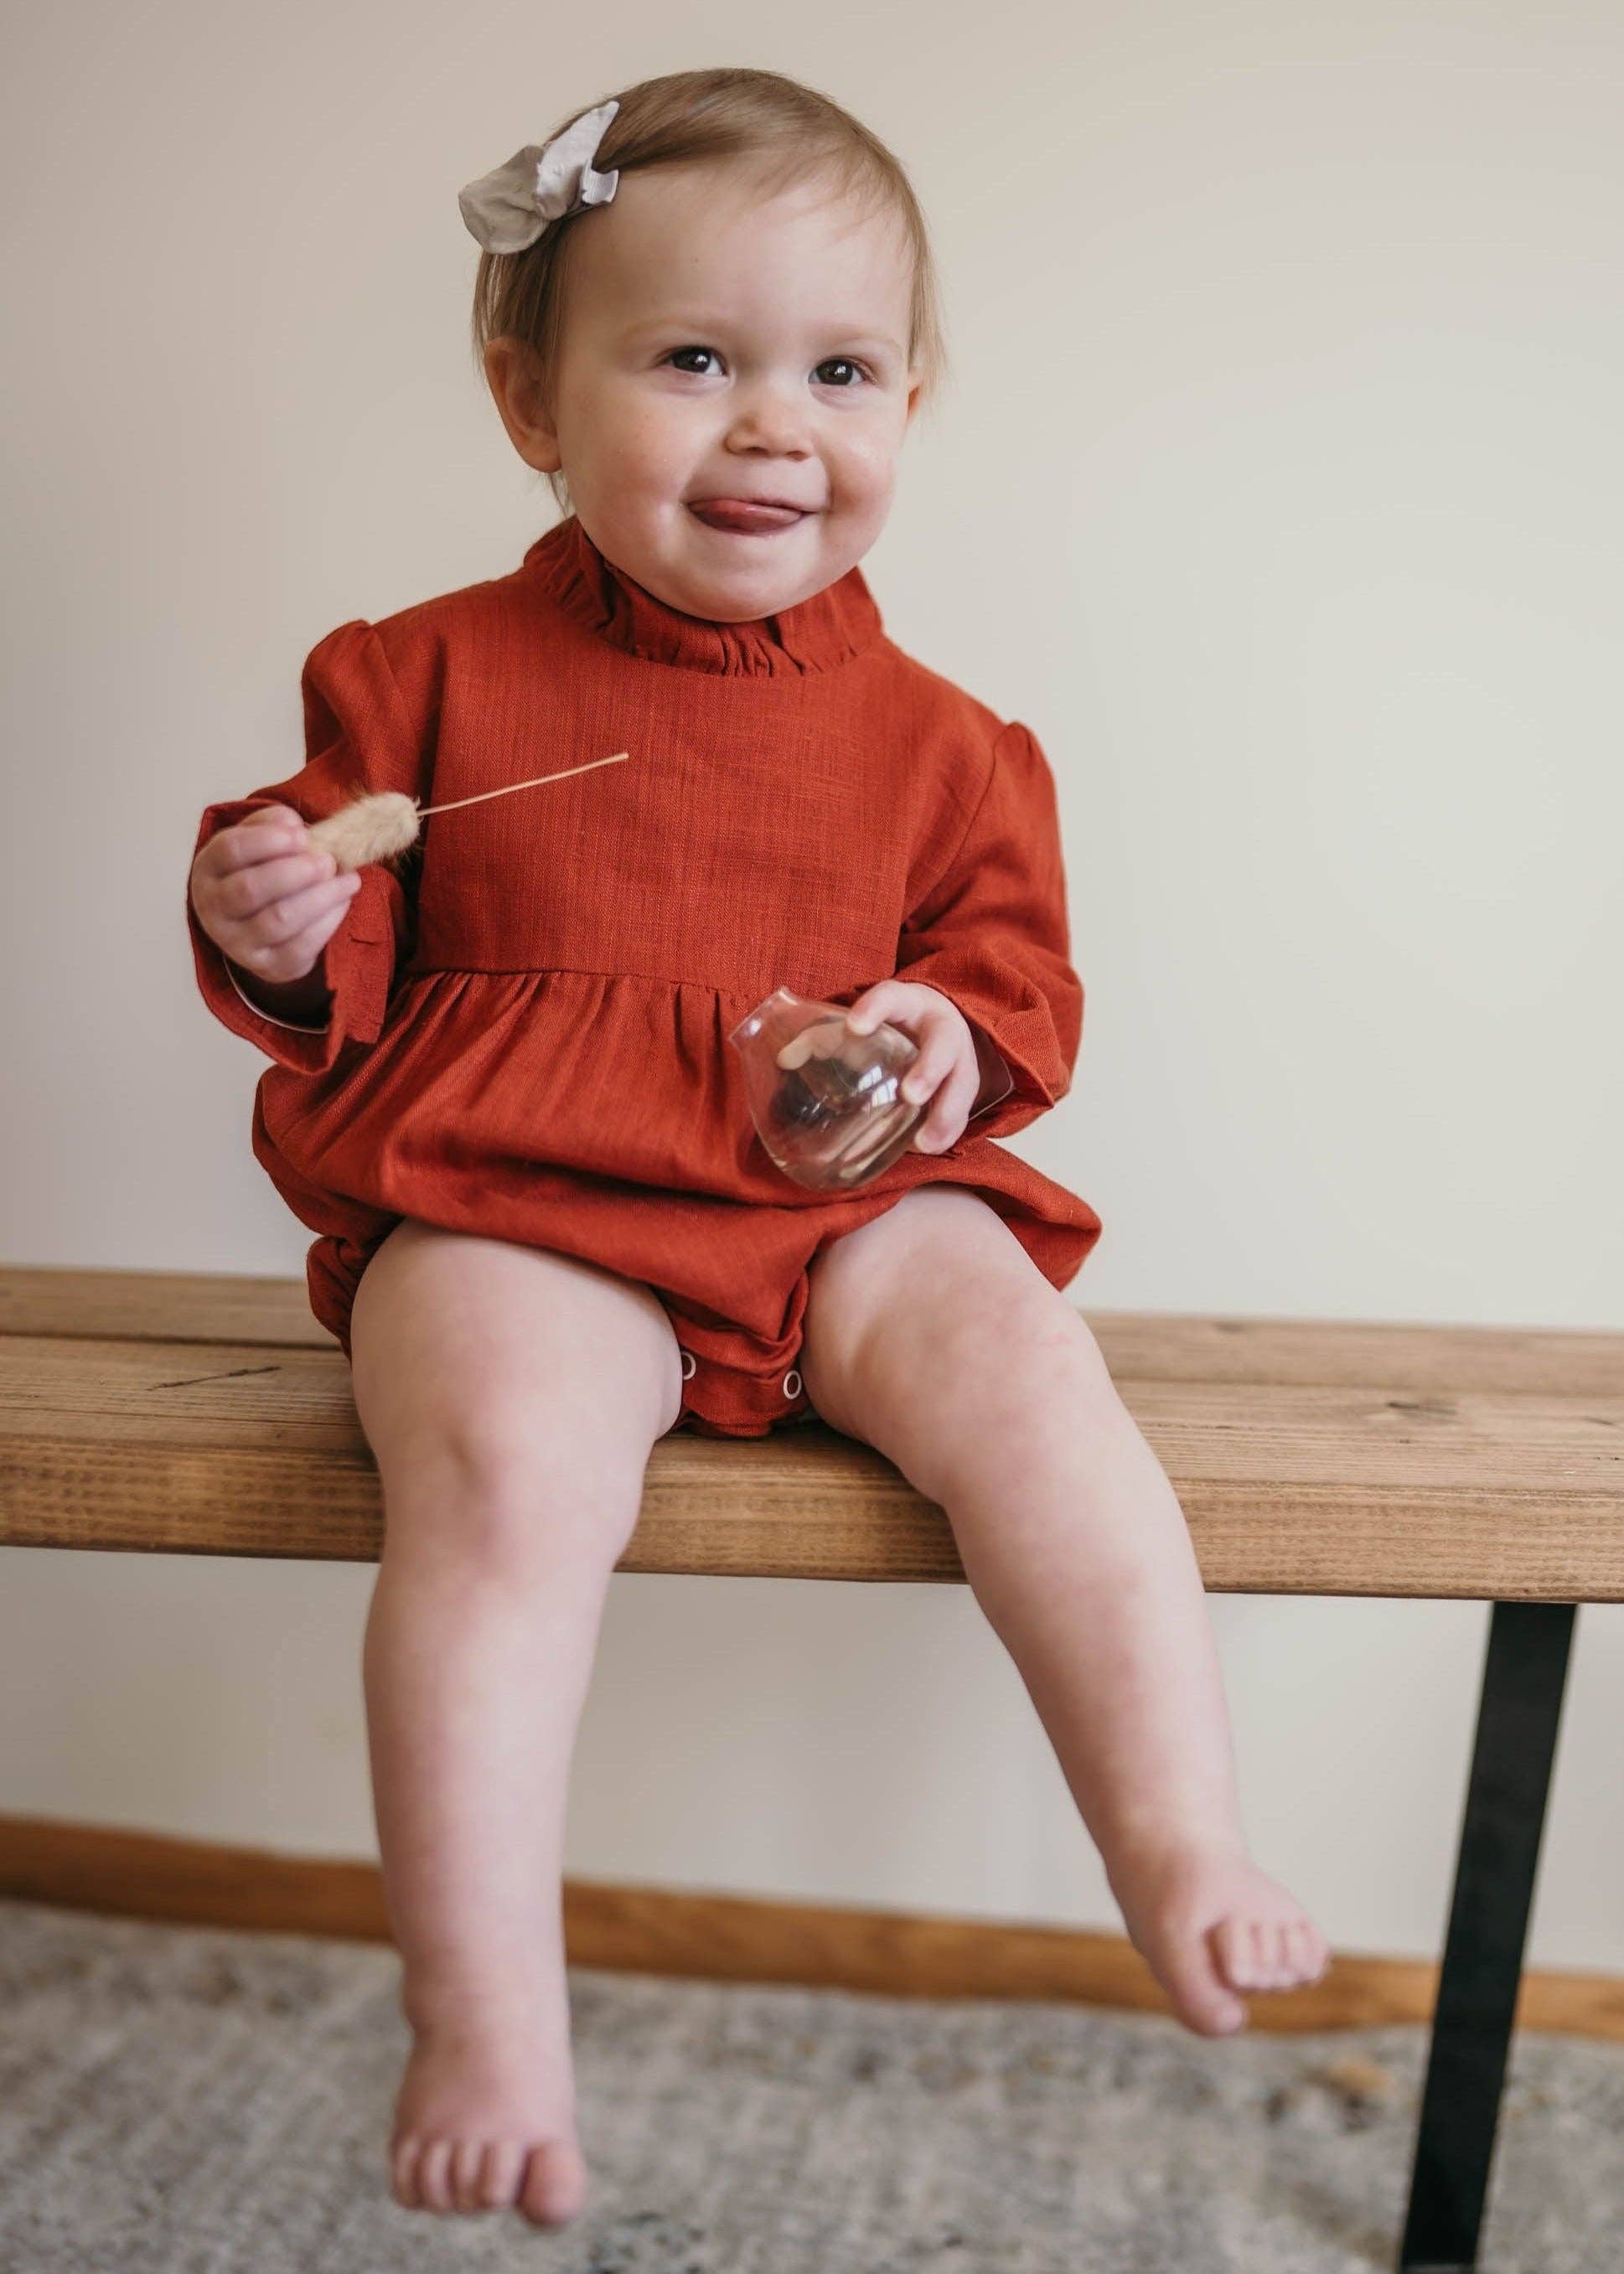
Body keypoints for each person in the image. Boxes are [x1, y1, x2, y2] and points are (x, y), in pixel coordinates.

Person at [186, 67, 1328, 2233]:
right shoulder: (416, 675)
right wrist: (274, 910)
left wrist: (940, 1040)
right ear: (528, 396)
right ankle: (484, 2007)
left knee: (1028, 1375)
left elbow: (1013, 988)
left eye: (839, 372)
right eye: (694, 359)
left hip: (839, 1199)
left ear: (912, 398)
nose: (773, 428)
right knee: (503, 1467)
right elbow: (334, 939)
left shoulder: (955, 747)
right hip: (529, 1189)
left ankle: (1177, 1833)